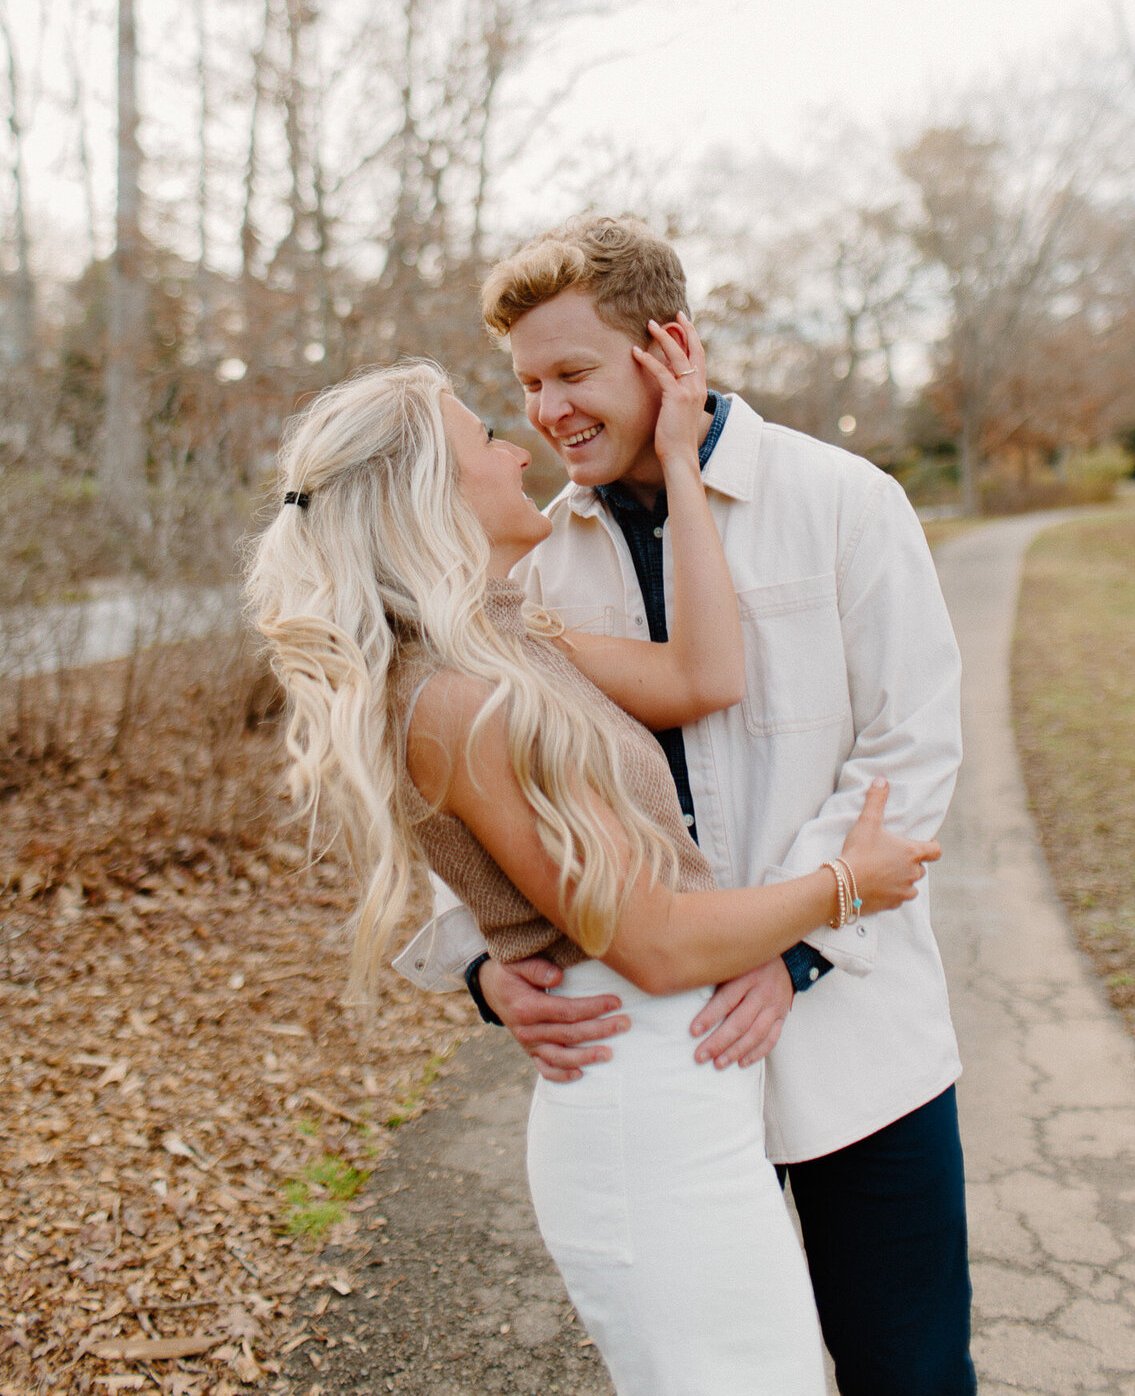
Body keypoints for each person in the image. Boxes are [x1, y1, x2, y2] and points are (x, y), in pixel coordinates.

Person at [245, 342, 941, 1396]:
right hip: (646, 1089)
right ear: (430, 490)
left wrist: (684, 464)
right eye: (488, 432)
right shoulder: (456, 697)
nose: (522, 444)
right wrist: (846, 889)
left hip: (696, 1088)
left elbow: (702, 676)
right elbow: (653, 942)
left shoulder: (508, 638)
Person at [397, 215, 975, 1396]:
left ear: (668, 351)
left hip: (861, 1048)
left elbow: (910, 754)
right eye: (524, 384)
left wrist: (795, 949)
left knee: (907, 1372)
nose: (547, 411)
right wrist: (482, 969)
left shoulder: (844, 502)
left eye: (572, 373)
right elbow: (454, 785)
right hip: (664, 1077)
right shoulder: (532, 566)